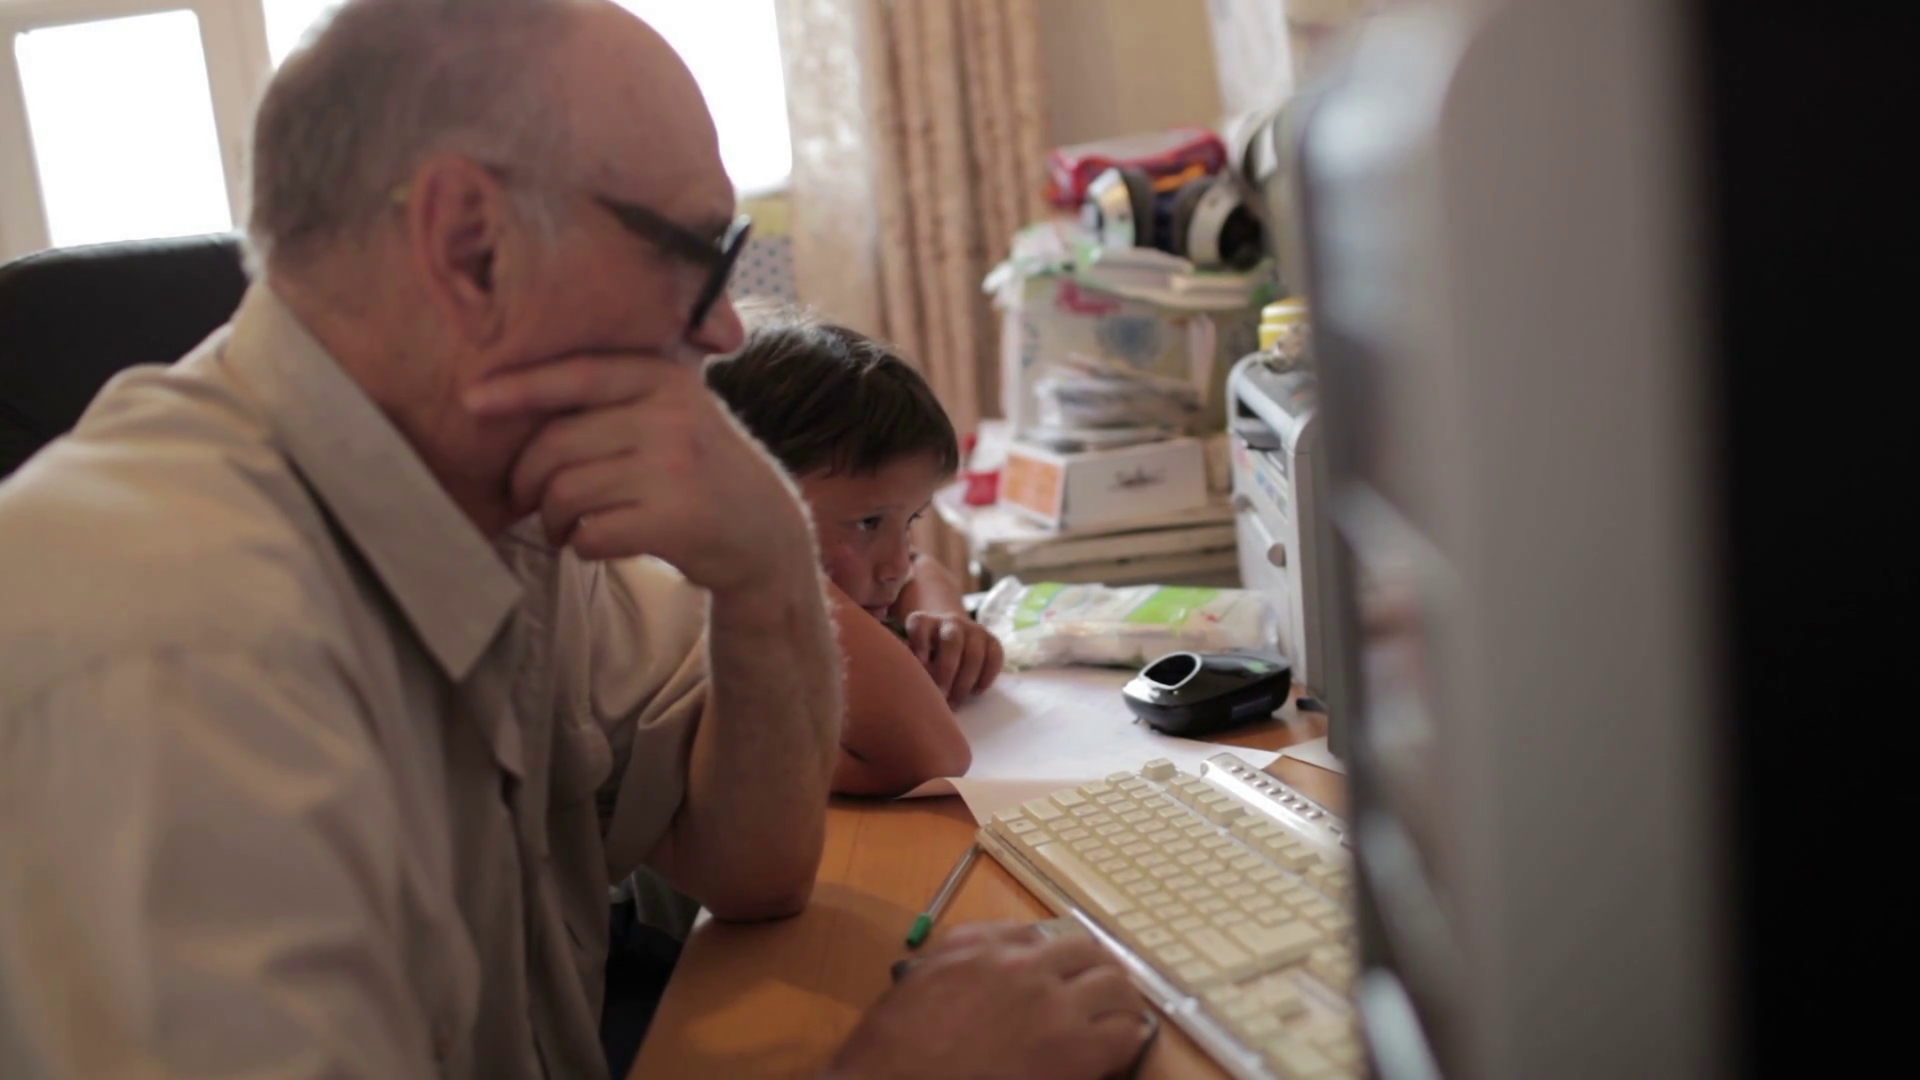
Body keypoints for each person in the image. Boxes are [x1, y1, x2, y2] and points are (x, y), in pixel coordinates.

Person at [0, 1, 1150, 1078]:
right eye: (696, 255)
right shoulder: (172, 644)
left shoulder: (502, 512)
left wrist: (766, 567)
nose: (726, 326)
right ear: (470, 245)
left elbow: (754, 869)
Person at [706, 314, 1002, 795]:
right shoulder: (712, 607)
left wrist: (941, 616)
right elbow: (934, 757)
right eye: (868, 523)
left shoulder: (850, 577)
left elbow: (920, 568)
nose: (895, 565)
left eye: (911, 520)